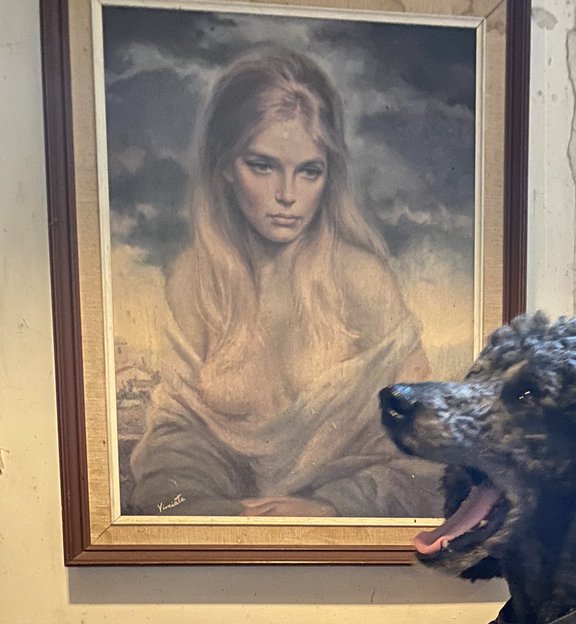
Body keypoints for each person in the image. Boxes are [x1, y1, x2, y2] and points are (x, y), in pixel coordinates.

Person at [129, 48, 440, 518]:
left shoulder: (362, 282)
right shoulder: (194, 282)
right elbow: (174, 442)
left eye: (309, 171)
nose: (287, 196)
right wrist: (222, 514)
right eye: (263, 166)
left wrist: (331, 508)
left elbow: (425, 452)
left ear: (329, 175)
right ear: (224, 167)